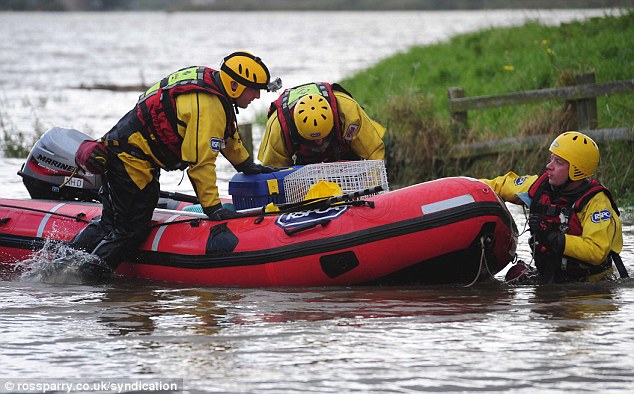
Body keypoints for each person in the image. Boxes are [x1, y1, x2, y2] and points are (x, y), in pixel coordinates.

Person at [69, 51, 280, 281]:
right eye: (253, 89)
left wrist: (245, 164)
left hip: (124, 150)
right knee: (130, 230)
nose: (257, 96)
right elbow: (201, 164)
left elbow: (226, 135)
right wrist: (212, 207)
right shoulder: (209, 105)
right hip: (132, 161)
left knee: (111, 223)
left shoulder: (214, 90)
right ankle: (86, 278)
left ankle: (65, 259)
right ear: (234, 86)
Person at [480, 131, 626, 284]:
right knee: (515, 274)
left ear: (577, 170)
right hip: (550, 275)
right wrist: (461, 184)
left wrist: (552, 237)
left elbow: (597, 251)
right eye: (551, 159)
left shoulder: (597, 203)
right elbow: (501, 185)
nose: (549, 166)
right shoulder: (539, 187)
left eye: (558, 162)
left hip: (590, 284)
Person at [258, 81, 386, 167]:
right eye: (312, 140)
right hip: (305, 171)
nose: (319, 143)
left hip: (345, 157)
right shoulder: (278, 126)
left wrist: (373, 189)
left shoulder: (347, 110)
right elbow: (272, 172)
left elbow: (374, 153)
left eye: (323, 136)